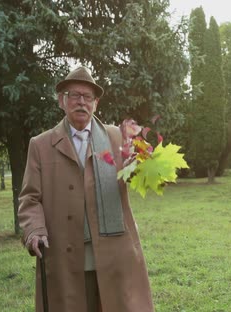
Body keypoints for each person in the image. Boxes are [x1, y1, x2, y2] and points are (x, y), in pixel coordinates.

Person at [18, 66, 154, 312]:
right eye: (74, 95)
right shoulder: (40, 145)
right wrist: (34, 229)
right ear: (62, 101)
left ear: (96, 103)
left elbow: (138, 173)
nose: (81, 102)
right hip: (65, 253)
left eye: (87, 97)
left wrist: (148, 167)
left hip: (114, 253)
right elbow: (30, 197)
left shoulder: (117, 137)